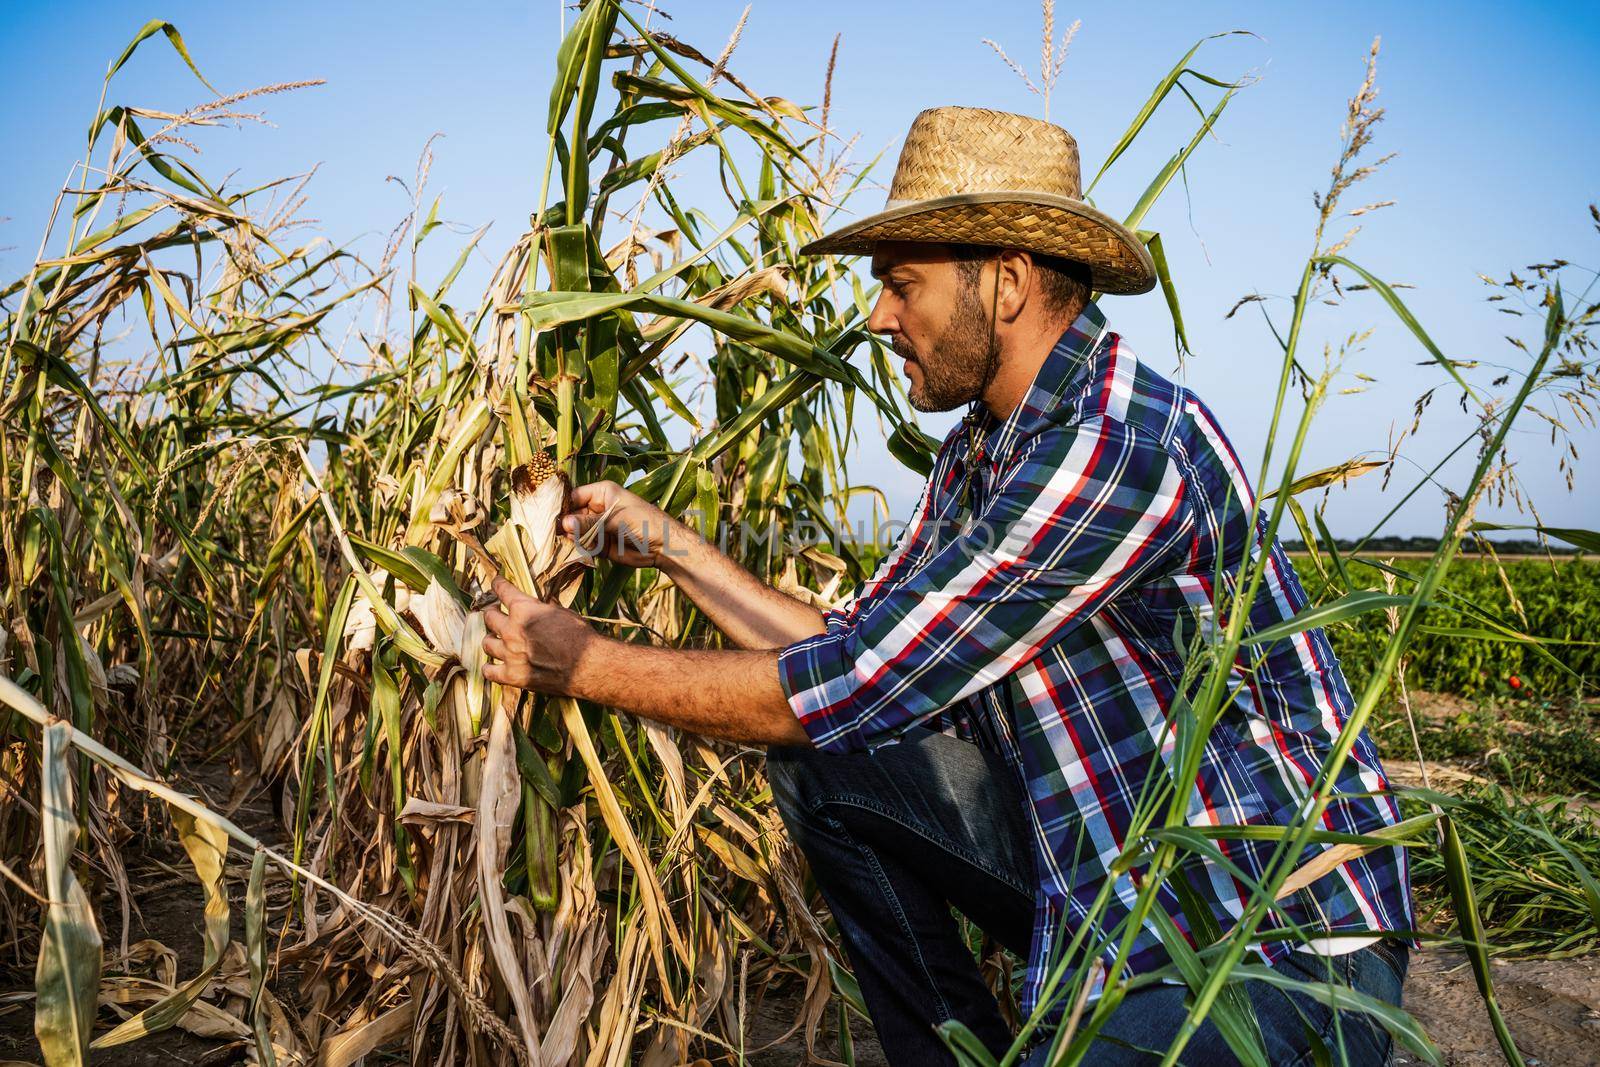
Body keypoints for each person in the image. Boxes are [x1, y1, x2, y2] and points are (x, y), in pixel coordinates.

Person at [482, 106, 1414, 1065]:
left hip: (1255, 926)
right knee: (830, 766)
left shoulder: (1114, 445)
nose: (880, 316)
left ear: (1005, 283)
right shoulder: (981, 454)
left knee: (831, 728)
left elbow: (855, 682)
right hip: (1105, 886)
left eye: (901, 285)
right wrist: (675, 545)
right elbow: (856, 645)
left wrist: (576, 660)